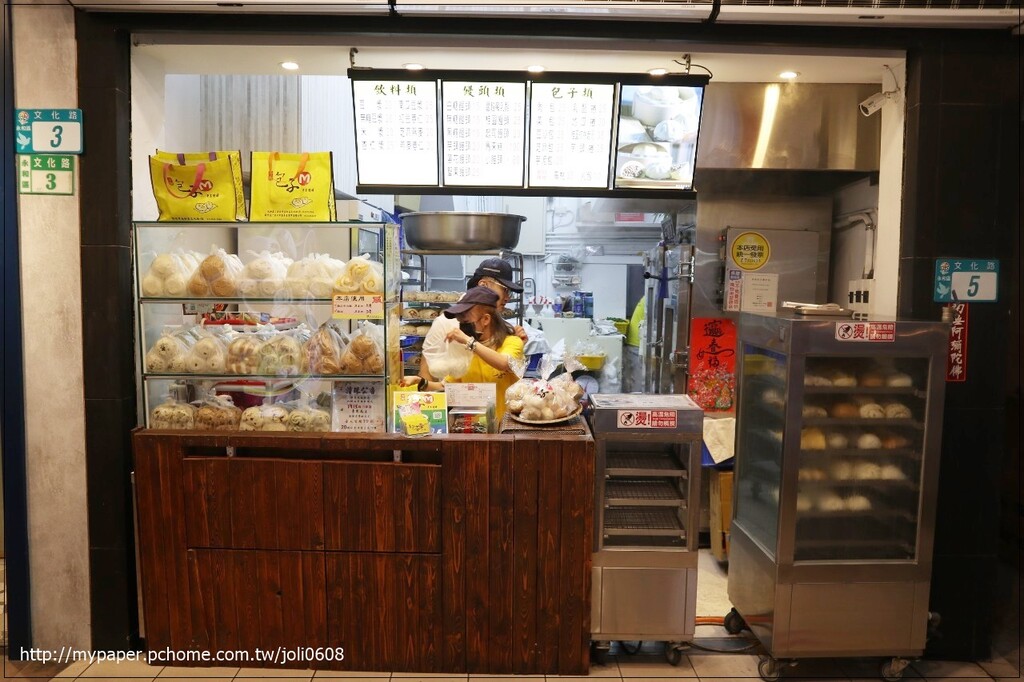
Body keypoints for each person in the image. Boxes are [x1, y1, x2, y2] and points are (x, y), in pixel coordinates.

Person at [404, 286, 525, 420]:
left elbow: (505, 363)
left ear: (485, 320)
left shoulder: (512, 342)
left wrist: (469, 341)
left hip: (506, 428)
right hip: (475, 429)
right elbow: (447, 387)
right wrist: (419, 382)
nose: (461, 327)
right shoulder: (466, 351)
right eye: (460, 322)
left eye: (466, 322)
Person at [418, 257, 527, 383]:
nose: (507, 298)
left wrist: (517, 344)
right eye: (505, 290)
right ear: (483, 285)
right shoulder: (446, 323)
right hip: (454, 399)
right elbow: (426, 371)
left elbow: (504, 363)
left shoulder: (498, 323)